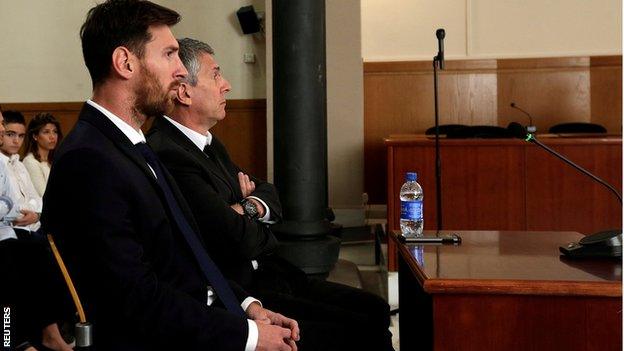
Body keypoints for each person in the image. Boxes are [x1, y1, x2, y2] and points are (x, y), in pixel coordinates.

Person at [41, 1, 299, 350]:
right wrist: (251, 338)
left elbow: (185, 252)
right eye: (169, 54)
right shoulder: (89, 159)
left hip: (202, 317)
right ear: (125, 62)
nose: (180, 70)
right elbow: (134, 300)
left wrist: (248, 307)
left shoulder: (130, 143)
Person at [147, 38, 393, 350]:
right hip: (241, 290)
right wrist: (250, 213)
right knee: (363, 330)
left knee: (376, 308)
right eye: (216, 75)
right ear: (184, 92)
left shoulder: (208, 141)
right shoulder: (169, 151)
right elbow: (232, 237)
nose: (226, 85)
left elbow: (269, 193)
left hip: (270, 271)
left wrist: (244, 207)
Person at [0, 106, 73, 351]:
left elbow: (34, 201)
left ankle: (58, 328)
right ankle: (12, 339)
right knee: (33, 252)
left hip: (17, 229)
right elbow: (12, 206)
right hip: (11, 230)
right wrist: (16, 211)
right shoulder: (21, 162)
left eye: (16, 134)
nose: (8, 136)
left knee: (46, 248)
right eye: (6, 131)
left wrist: (20, 210)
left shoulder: (16, 164)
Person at [0, 110, 42, 234]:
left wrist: (36, 215)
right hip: (13, 231)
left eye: (21, 136)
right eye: (10, 134)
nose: (16, 141)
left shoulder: (19, 165)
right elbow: (10, 209)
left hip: (34, 226)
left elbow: (36, 199)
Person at [23, 113, 62, 196]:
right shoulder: (30, 161)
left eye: (55, 132)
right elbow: (43, 194)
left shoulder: (54, 161)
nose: (52, 136)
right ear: (35, 136)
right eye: (46, 132)